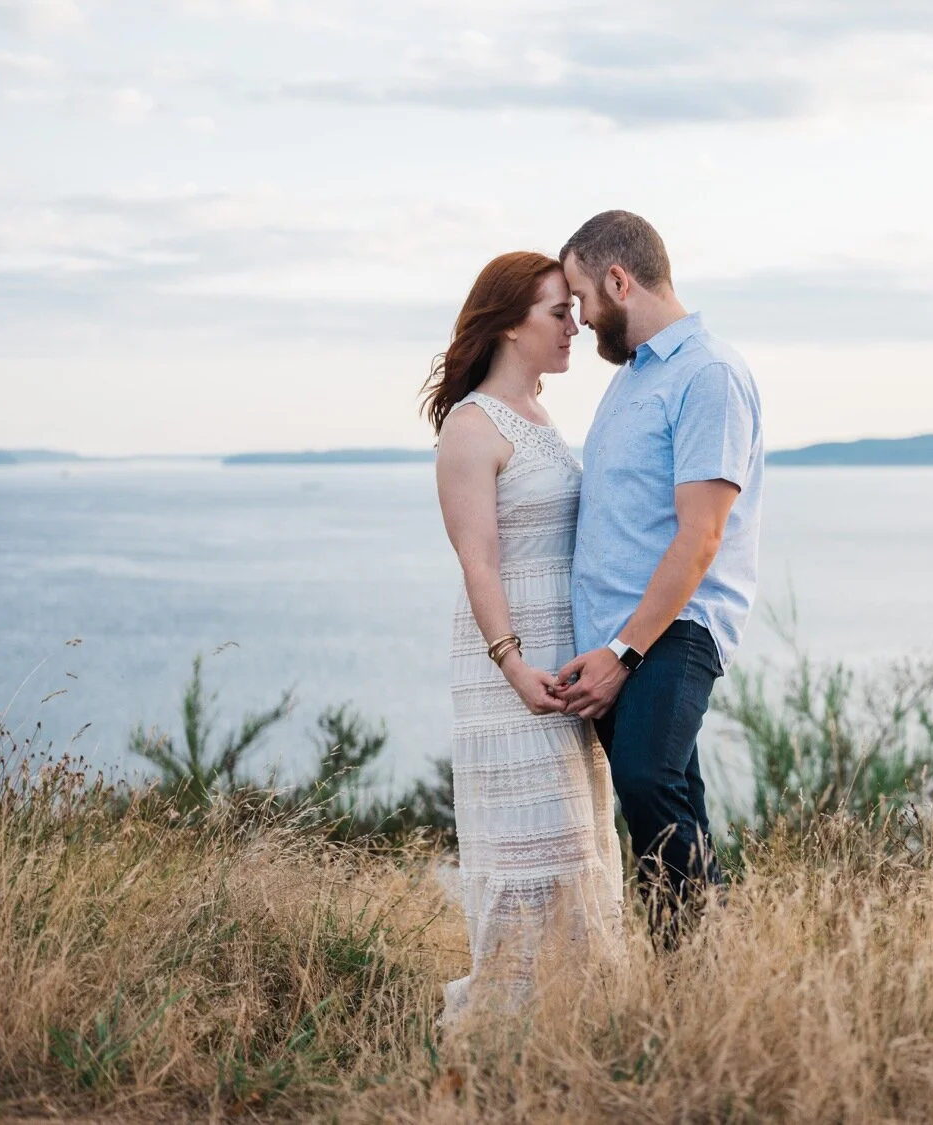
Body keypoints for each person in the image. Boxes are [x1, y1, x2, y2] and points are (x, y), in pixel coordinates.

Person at [553, 210, 765, 942]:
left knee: (646, 782)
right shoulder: (636, 379)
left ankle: (689, 971)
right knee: (671, 796)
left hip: (673, 629)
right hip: (626, 635)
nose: (579, 319)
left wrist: (623, 653)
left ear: (620, 279)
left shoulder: (708, 375)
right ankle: (702, 982)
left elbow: (702, 534)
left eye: (582, 297)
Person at [423, 251, 622, 1023]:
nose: (576, 323)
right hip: (511, 673)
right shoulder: (471, 427)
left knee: (578, 849)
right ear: (510, 322)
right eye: (557, 311)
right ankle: (489, 1036)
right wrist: (514, 665)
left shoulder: (542, 417)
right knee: (531, 858)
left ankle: (569, 1028)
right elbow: (478, 562)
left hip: (562, 673)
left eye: (572, 309)